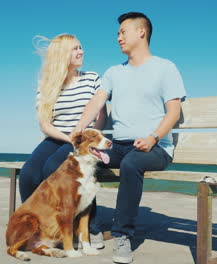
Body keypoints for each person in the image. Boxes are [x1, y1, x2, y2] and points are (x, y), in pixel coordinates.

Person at [72, 12, 186, 264]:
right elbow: (97, 101)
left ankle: (122, 235)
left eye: (123, 32)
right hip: (120, 146)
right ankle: (92, 227)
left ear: (141, 32)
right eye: (118, 34)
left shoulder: (165, 68)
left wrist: (153, 137)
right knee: (82, 163)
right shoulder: (114, 72)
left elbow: (174, 112)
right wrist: (80, 127)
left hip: (156, 147)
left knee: (131, 163)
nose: (118, 38)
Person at [19, 34, 107, 206]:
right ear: (62, 54)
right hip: (57, 138)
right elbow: (45, 125)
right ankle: (33, 221)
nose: (81, 52)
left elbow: (102, 116)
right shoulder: (46, 84)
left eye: (80, 47)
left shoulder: (92, 78)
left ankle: (81, 223)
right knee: (28, 174)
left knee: (53, 167)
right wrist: (70, 139)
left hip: (84, 141)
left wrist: (89, 141)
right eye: (75, 49)